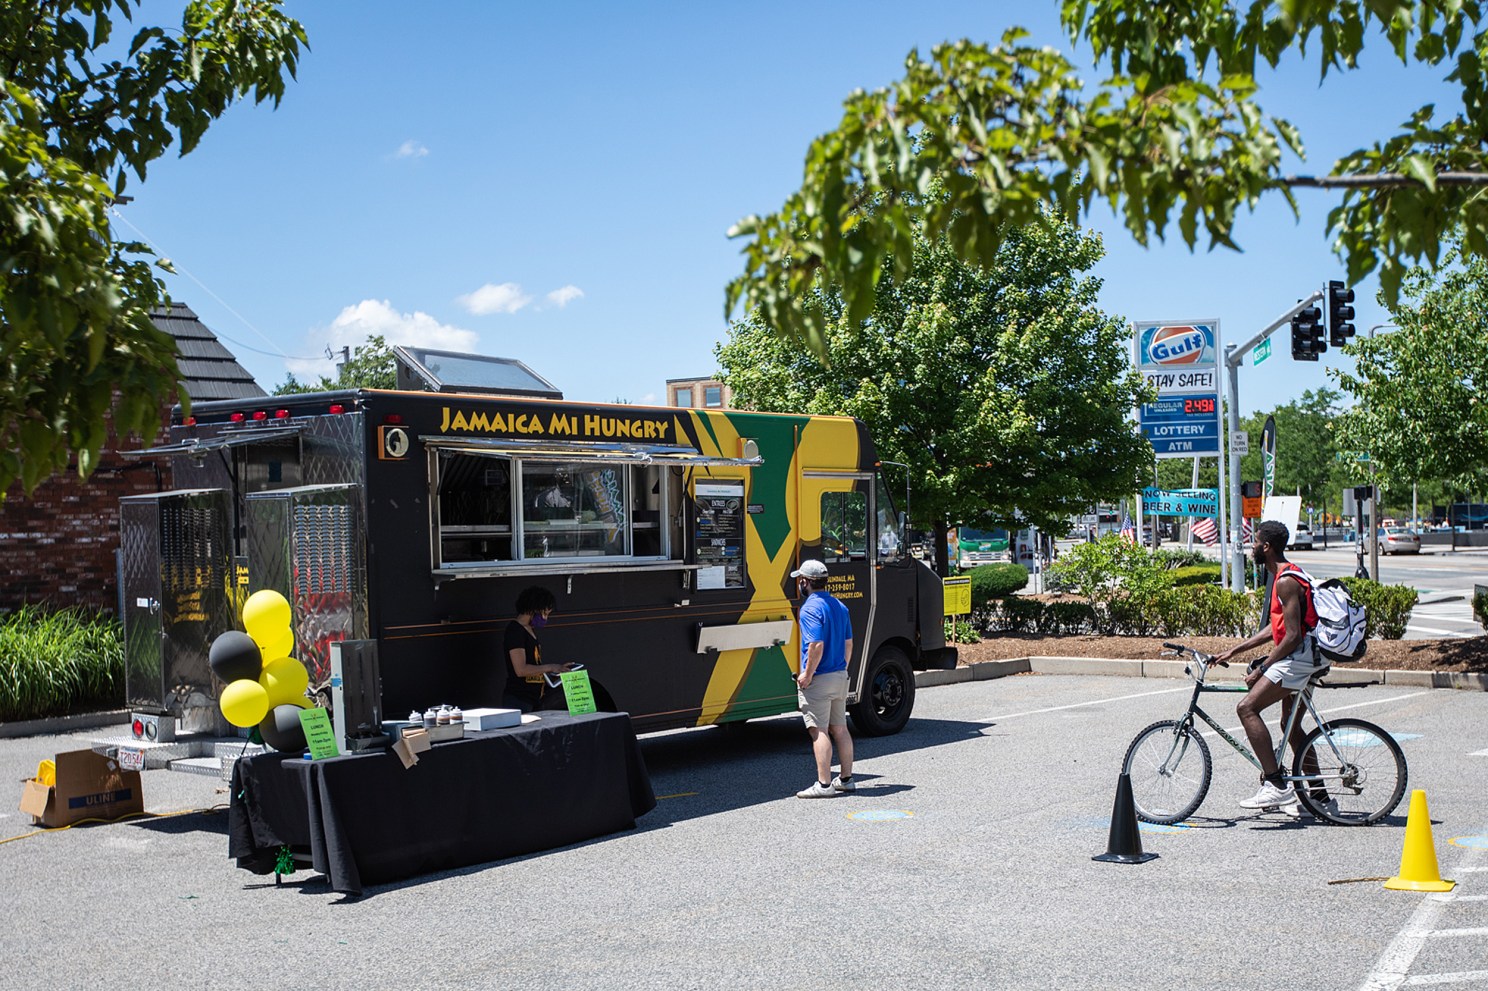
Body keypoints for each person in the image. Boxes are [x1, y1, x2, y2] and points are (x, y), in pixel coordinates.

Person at [1212, 520, 1328, 810]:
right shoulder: (1285, 576)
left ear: (1267, 547)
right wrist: (1233, 650)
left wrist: (1261, 670)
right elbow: (1274, 630)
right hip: (1307, 655)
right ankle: (1319, 795)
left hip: (1299, 657)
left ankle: (1276, 785)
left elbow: (1291, 637)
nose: (1252, 547)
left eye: (1255, 542)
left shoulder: (1286, 581)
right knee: (1291, 726)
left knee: (1247, 708)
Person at [790, 560, 855, 798]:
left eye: (800, 581)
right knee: (841, 729)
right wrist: (842, 669)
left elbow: (816, 644)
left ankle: (824, 784)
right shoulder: (840, 606)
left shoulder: (809, 608)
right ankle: (846, 779)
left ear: (806, 582)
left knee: (819, 731)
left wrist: (807, 674)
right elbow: (848, 644)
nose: (799, 585)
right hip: (839, 675)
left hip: (820, 677)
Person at [502, 585, 575, 712]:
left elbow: (534, 667)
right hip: (519, 700)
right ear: (534, 609)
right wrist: (552, 666)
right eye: (545, 613)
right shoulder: (515, 631)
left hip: (533, 699)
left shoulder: (529, 629)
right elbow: (521, 670)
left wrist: (558, 671)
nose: (545, 618)